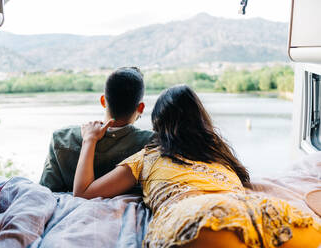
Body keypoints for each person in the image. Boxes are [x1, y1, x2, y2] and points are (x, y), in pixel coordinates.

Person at [73, 85, 321, 248]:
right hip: (268, 213)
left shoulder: (148, 156)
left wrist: (89, 139)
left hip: (198, 216)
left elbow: (84, 191)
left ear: (158, 125)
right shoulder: (220, 154)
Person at [39, 67, 154, 192]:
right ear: (141, 108)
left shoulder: (61, 138)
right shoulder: (151, 143)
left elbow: (46, 192)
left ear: (103, 101)